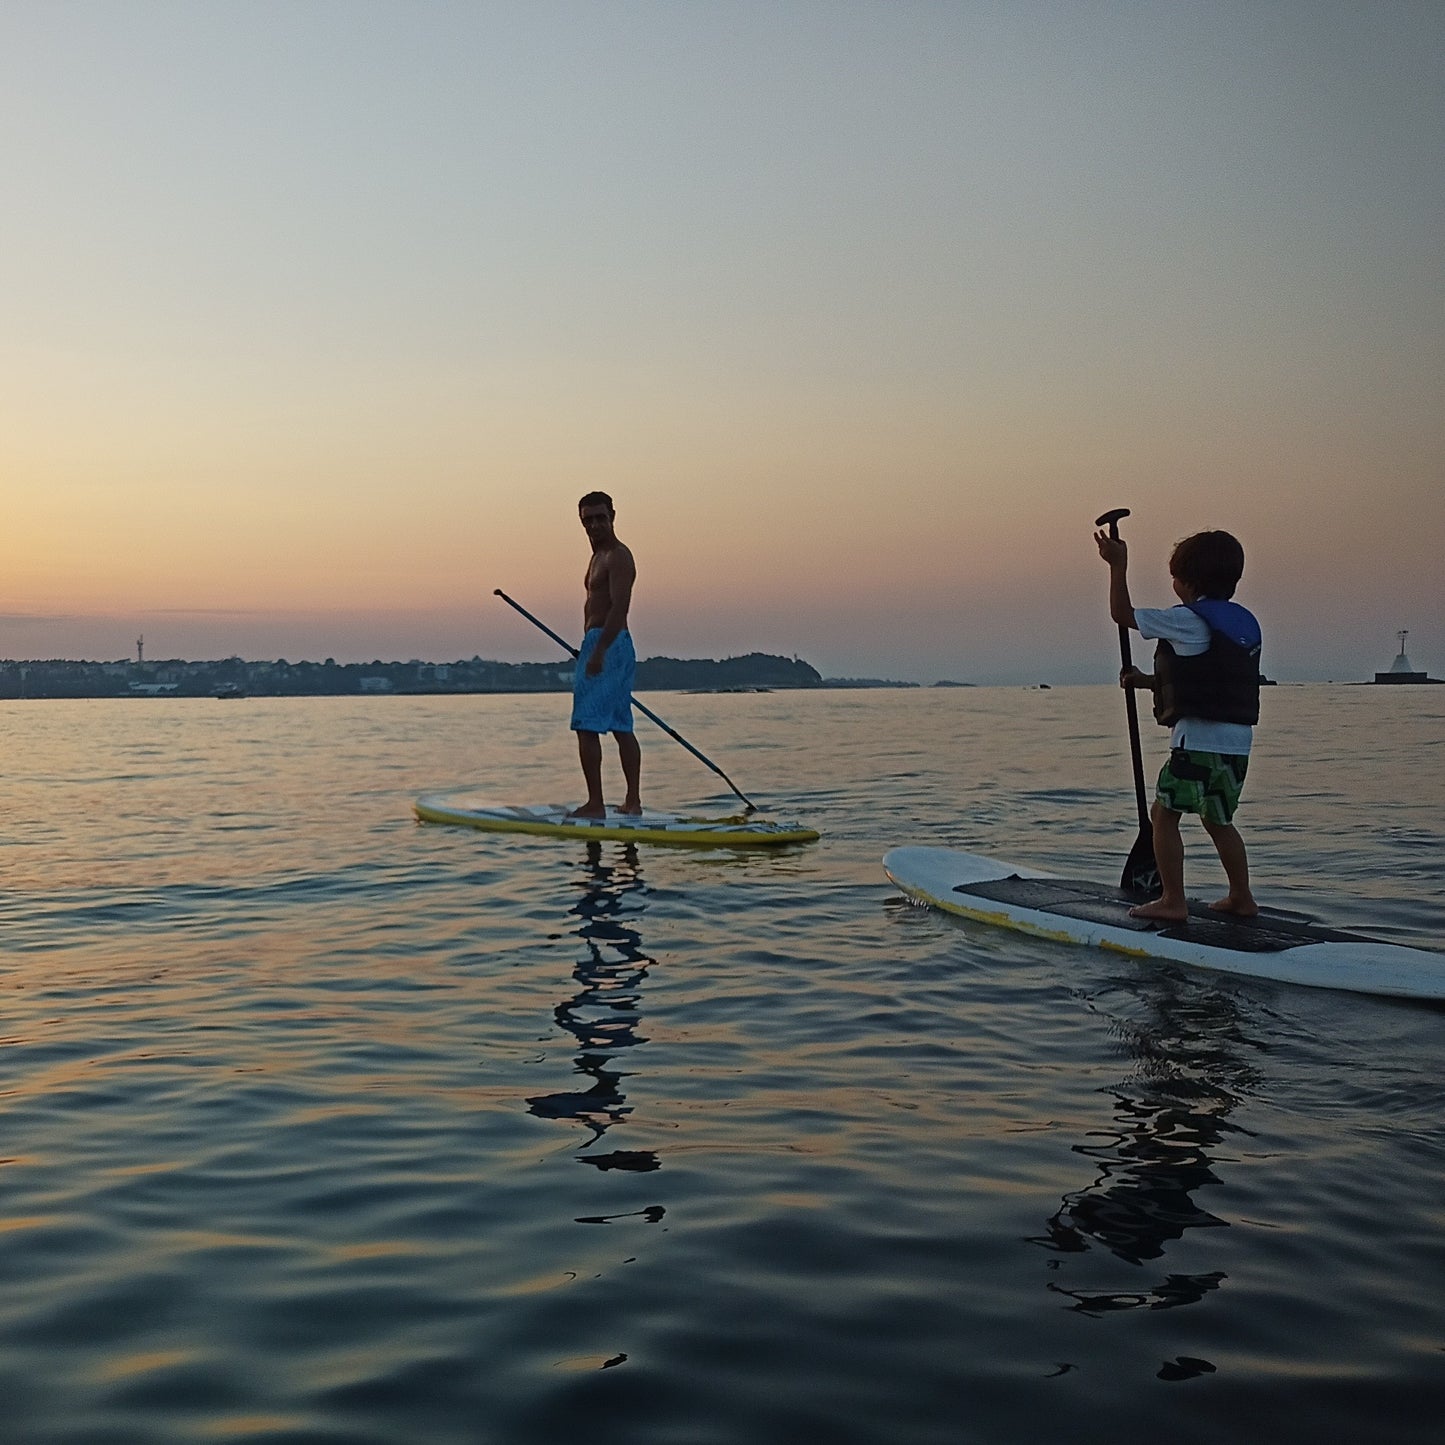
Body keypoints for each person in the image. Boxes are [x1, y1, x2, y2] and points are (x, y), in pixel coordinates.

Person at [1094, 527, 1262, 922]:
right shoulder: (1242, 623)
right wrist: (1146, 681)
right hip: (1237, 743)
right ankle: (1242, 896)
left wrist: (1118, 566)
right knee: (1218, 819)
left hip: (1197, 742)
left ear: (1186, 582)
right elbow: (1207, 680)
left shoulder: (1186, 620)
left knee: (1164, 815)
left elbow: (1122, 614)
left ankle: (1173, 900)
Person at [569, 491, 642, 817]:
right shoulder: (596, 557)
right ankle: (631, 803)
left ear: (613, 515)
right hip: (602, 643)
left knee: (587, 726)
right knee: (620, 725)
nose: (595, 524)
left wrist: (598, 651)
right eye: (588, 519)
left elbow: (619, 608)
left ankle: (596, 804)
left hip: (609, 643)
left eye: (600, 517)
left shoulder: (618, 556)